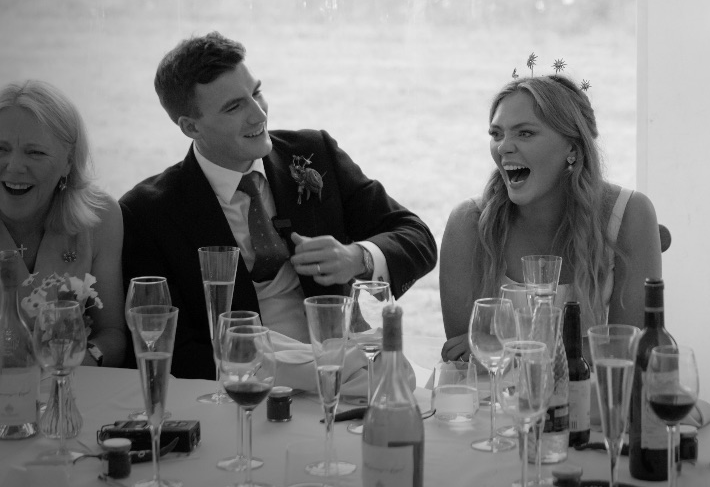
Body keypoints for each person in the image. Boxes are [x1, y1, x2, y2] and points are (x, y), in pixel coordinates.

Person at [121, 31, 437, 378]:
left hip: (346, 373)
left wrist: (357, 258)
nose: (259, 115)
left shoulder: (314, 154)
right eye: (234, 107)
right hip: (240, 386)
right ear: (190, 127)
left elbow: (416, 237)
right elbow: (166, 345)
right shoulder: (147, 213)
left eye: (256, 93)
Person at [439, 73, 661, 362]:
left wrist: (509, 346)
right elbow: (462, 357)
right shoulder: (468, 223)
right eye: (496, 134)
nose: (503, 147)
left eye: (525, 133)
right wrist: (576, 350)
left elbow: (629, 350)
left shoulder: (630, 213)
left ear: (572, 147)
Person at [0, 80, 126, 367]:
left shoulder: (99, 216)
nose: (14, 166)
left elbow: (113, 334)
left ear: (68, 162)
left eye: (35, 152)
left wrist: (77, 362)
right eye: (0, 148)